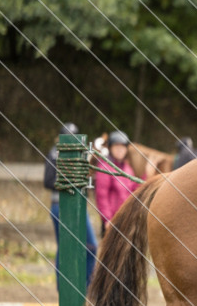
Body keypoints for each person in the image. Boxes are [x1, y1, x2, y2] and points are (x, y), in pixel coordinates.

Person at [44, 122, 98, 285]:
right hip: (59, 206)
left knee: (91, 246)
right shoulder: (54, 155)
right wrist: (69, 182)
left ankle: (86, 286)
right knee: (65, 249)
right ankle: (63, 290)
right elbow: (47, 181)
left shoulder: (82, 155)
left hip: (78, 207)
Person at [95, 130, 141, 238]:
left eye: (123, 147)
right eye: (116, 146)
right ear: (110, 148)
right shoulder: (105, 167)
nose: (120, 150)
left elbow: (134, 190)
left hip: (126, 219)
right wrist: (107, 219)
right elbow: (101, 195)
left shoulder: (127, 168)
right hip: (112, 221)